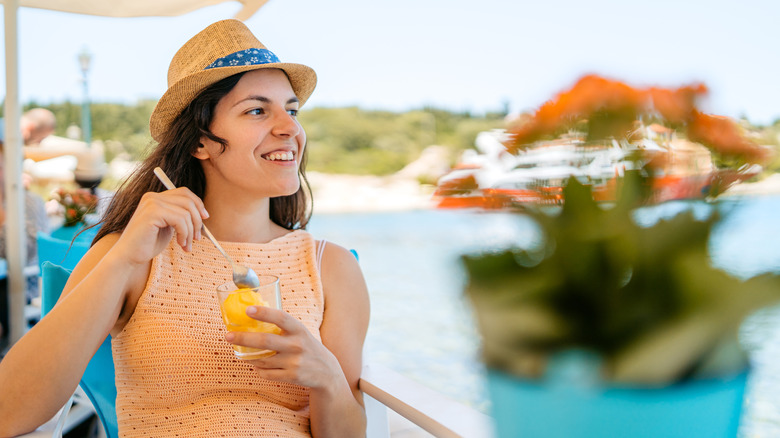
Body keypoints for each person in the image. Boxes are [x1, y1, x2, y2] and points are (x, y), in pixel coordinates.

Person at [0, 19, 370, 438]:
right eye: (256, 110)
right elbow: (9, 412)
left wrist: (328, 378)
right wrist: (123, 258)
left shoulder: (332, 268)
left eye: (291, 109)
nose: (290, 128)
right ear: (200, 141)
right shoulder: (136, 253)